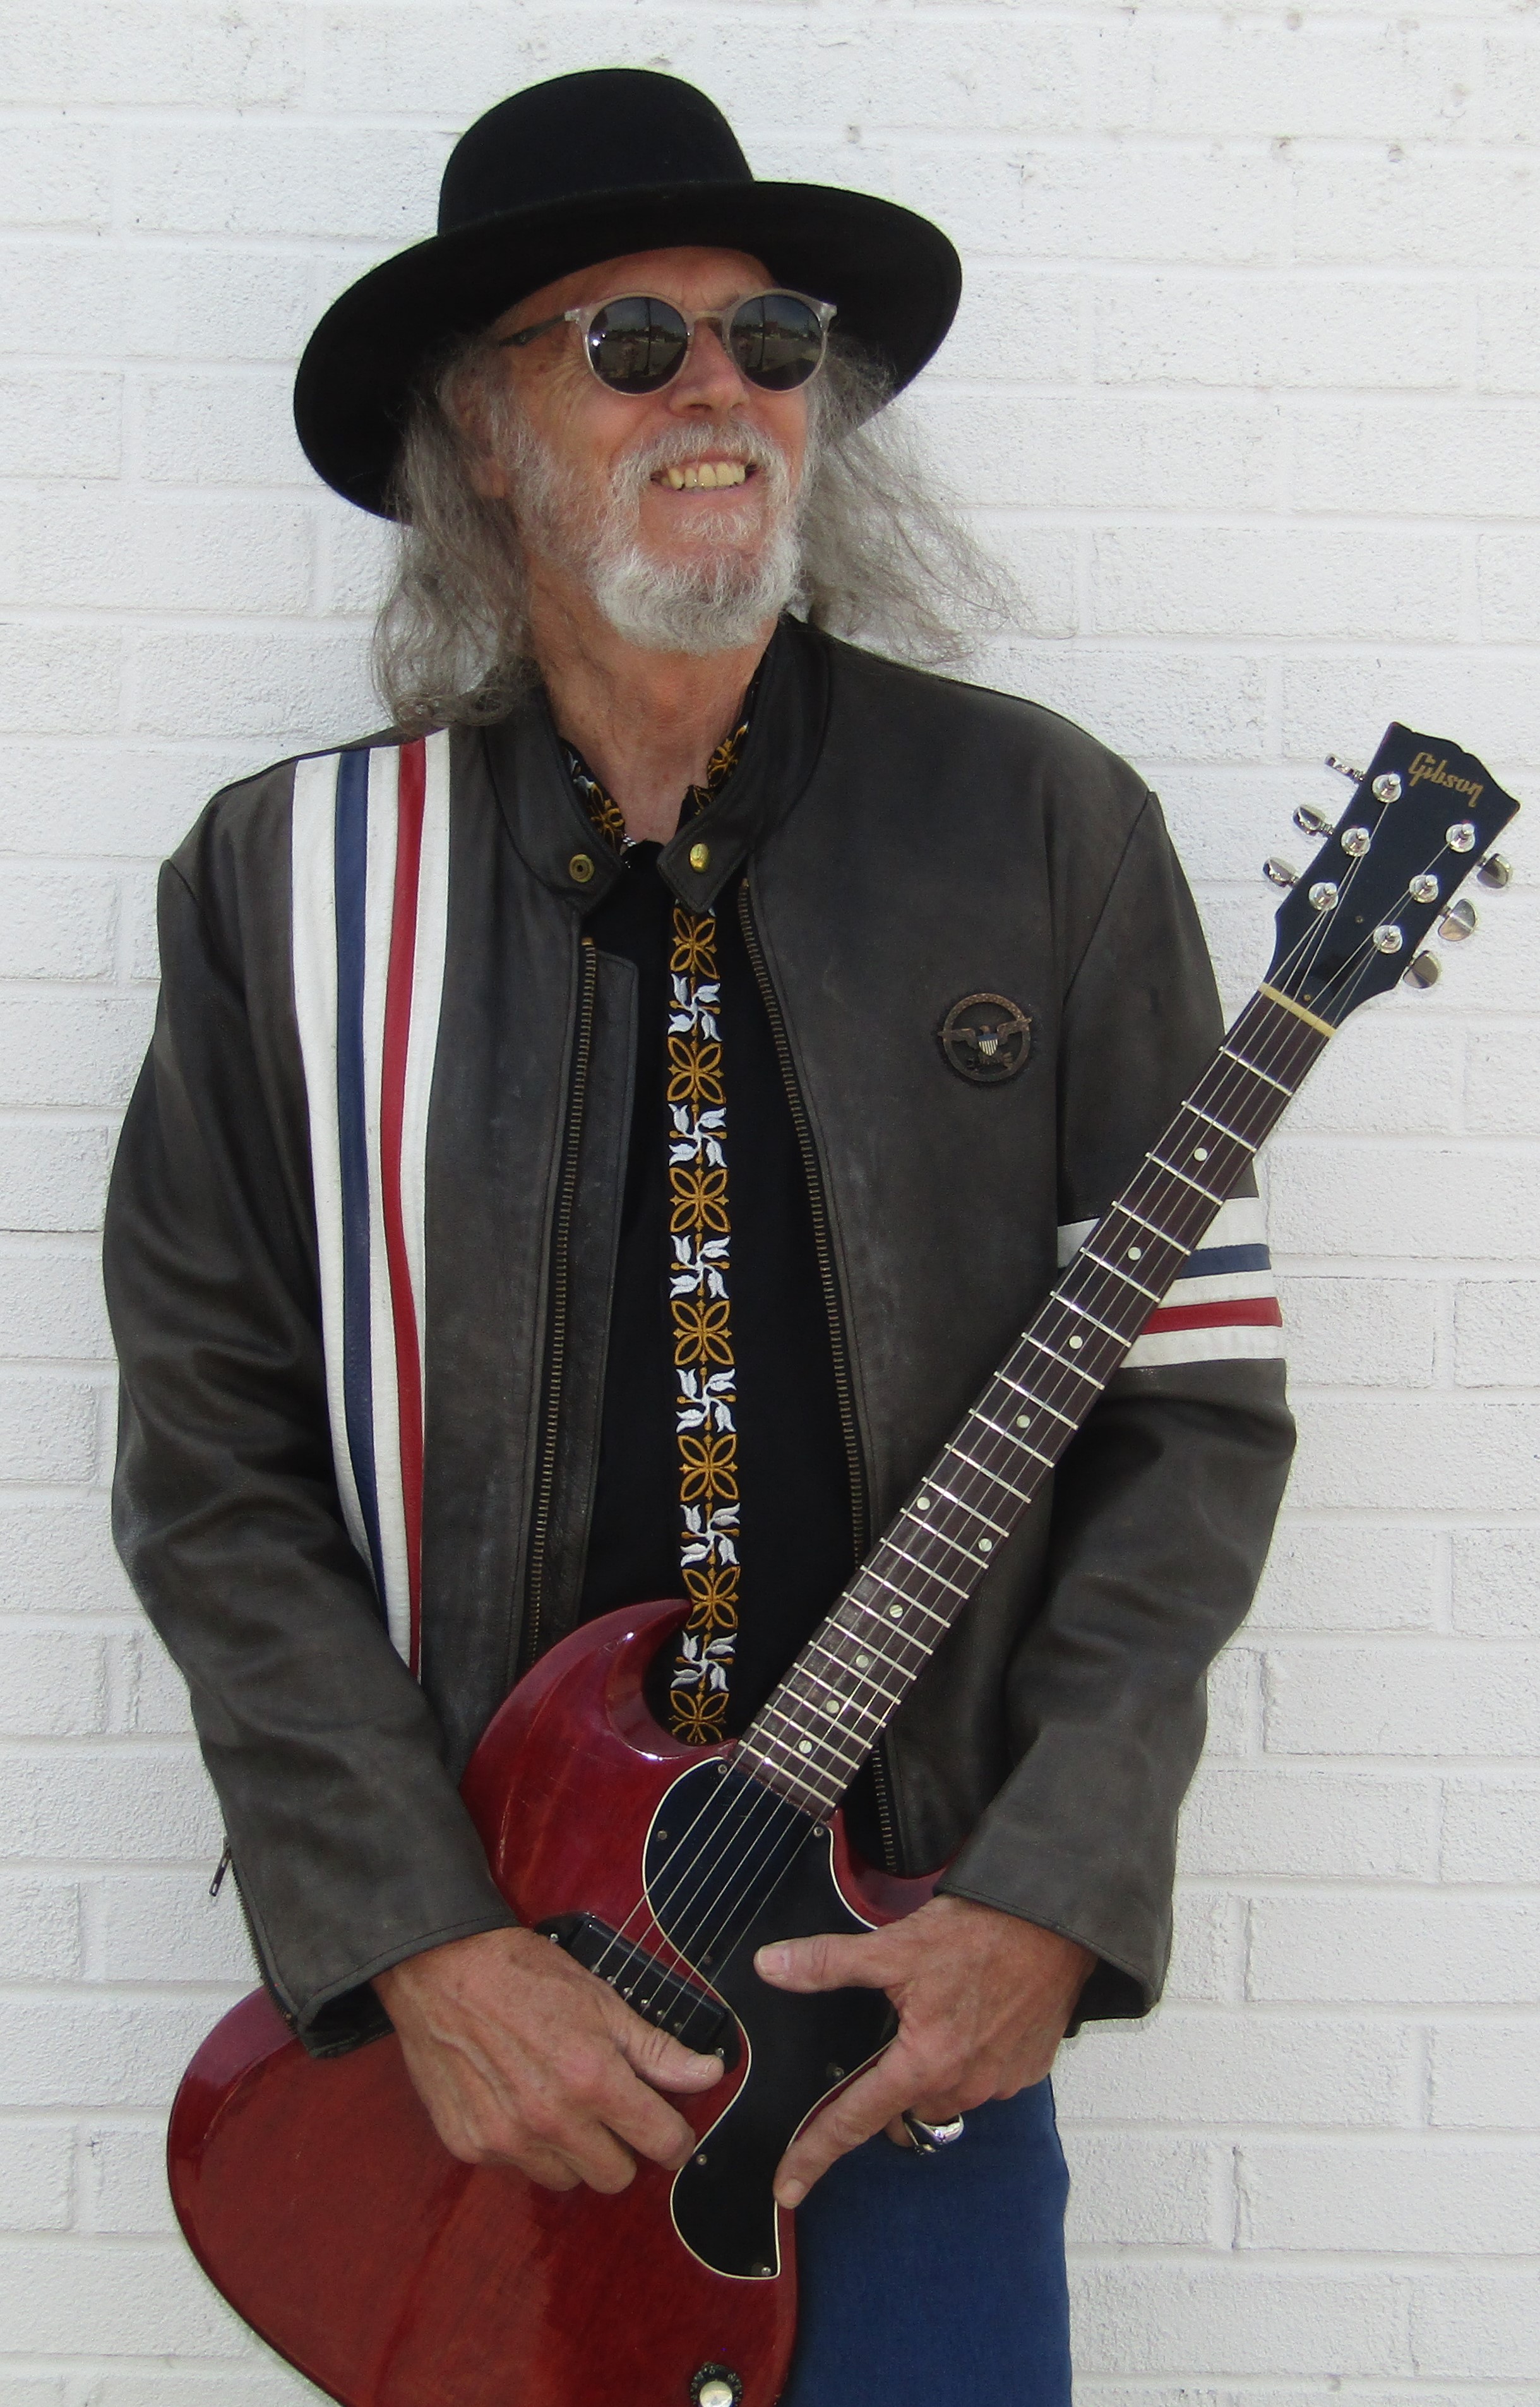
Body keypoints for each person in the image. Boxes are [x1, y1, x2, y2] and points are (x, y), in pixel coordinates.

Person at [104, 68, 1294, 2404]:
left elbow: (1192, 1419)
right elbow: (212, 1466)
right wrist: (419, 1942)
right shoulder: (289, 889)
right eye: (628, 344)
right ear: (484, 431)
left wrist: (1049, 1895)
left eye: (768, 337)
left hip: (908, 2002)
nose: (719, 391)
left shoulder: (1040, 829)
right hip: (498, 2047)